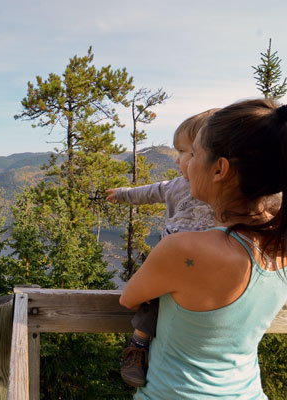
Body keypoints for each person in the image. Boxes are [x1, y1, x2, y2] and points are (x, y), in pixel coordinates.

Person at [120, 98, 287, 399]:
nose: (184, 163)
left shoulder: (184, 250)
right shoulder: (280, 241)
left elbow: (130, 297)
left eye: (193, 153)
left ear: (219, 169)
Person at [106, 109, 217, 387]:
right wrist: (121, 195)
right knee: (149, 299)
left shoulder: (225, 194)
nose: (179, 159)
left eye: (185, 152)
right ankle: (138, 346)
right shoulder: (176, 186)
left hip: (206, 264)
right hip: (167, 259)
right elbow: (149, 191)